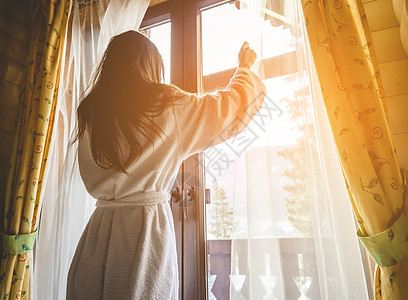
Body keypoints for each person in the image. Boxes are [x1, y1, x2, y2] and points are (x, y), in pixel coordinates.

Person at [67, 30, 266, 299]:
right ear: (150, 66)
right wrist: (244, 69)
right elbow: (228, 111)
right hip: (144, 234)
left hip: (97, 235)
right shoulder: (166, 105)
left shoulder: (92, 112)